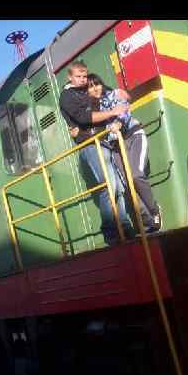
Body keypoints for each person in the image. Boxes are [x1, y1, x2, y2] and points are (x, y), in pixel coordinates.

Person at [58, 61, 134, 245]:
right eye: (78, 76)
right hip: (90, 144)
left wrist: (120, 94)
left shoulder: (86, 90)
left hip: (104, 141)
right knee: (107, 186)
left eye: (84, 76)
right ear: (70, 77)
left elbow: (108, 95)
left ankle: (125, 228)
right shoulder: (67, 97)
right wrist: (112, 112)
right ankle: (110, 232)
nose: (83, 80)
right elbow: (84, 118)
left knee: (118, 187)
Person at [83, 73, 161, 232]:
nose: (95, 88)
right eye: (90, 87)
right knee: (127, 185)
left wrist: (119, 122)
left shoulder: (115, 94)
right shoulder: (91, 110)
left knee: (136, 175)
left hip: (133, 136)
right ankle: (147, 222)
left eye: (97, 84)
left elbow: (124, 110)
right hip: (116, 147)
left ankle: (155, 211)